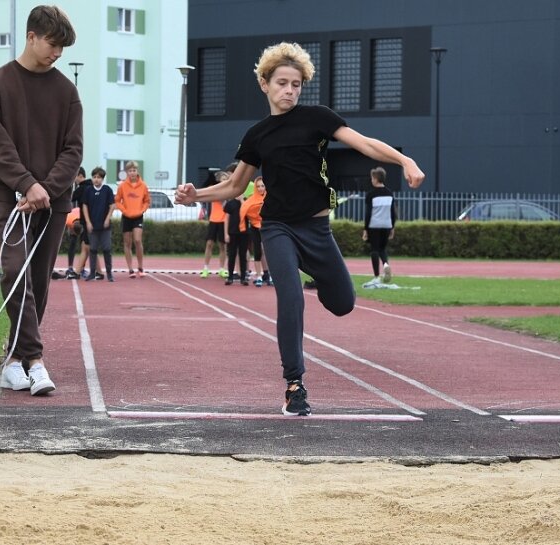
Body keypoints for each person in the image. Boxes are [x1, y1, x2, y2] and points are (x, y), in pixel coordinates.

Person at [175, 42, 424, 416]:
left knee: (343, 304)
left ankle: (315, 277)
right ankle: (295, 385)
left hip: (317, 228)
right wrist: (195, 195)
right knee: (289, 300)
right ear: (265, 84)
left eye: (296, 84)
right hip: (277, 227)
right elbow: (233, 186)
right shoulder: (257, 135)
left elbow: (364, 143)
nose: (289, 90)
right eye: (282, 83)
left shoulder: (317, 118)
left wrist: (404, 159)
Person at [0, 5, 82, 396]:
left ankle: (13, 358)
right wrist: (26, 183)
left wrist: (47, 189)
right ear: (32, 36)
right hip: (10, 198)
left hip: (52, 201)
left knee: (38, 280)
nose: (57, 53)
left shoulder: (67, 92)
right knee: (13, 269)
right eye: (53, 45)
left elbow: (73, 150)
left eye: (63, 48)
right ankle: (35, 359)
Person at [114, 160, 150, 278]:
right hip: (126, 216)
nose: (132, 173)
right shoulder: (122, 186)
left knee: (138, 240)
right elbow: (117, 200)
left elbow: (147, 201)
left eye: (134, 170)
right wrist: (124, 210)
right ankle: (130, 269)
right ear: (127, 172)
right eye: (130, 171)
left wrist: (142, 210)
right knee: (127, 243)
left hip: (138, 216)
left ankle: (140, 267)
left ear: (137, 171)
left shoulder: (143, 185)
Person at [362, 166, 396, 286]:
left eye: (372, 178)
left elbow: (368, 213)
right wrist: (392, 227)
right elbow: (393, 212)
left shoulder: (371, 195)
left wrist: (365, 229)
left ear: (376, 179)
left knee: (374, 250)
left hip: (374, 225)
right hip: (386, 225)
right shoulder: (389, 193)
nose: (371, 180)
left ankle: (376, 276)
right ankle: (386, 264)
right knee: (382, 248)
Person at [82, 166, 115, 281]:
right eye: (94, 177)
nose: (96, 179)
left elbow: (112, 206)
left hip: (105, 226)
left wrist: (107, 219)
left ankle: (110, 274)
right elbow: (85, 206)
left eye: (99, 177)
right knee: (93, 249)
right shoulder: (88, 191)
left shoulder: (107, 190)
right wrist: (88, 222)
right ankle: (92, 273)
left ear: (103, 178)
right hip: (93, 225)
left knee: (106, 249)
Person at [240, 176, 272, 287]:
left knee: (267, 251)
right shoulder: (251, 201)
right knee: (257, 251)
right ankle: (259, 276)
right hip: (254, 228)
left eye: (262, 186)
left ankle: (268, 274)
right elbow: (244, 209)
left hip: (267, 227)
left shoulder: (271, 198)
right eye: (258, 186)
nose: (260, 188)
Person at [200, 170, 228, 279]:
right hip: (213, 219)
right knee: (209, 244)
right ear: (218, 180)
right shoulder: (214, 188)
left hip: (224, 220)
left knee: (222, 246)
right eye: (223, 179)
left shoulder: (228, 190)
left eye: (226, 179)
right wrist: (210, 176)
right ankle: (206, 268)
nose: (224, 181)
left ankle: (222, 269)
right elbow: (203, 187)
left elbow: (223, 200)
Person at [66, 166, 89, 277]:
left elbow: (72, 200)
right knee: (75, 242)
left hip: (81, 218)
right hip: (73, 217)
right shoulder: (71, 185)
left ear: (79, 175)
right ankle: (73, 267)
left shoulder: (83, 187)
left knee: (82, 243)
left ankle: (80, 268)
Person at [223, 193, 248, 285]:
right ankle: (230, 277)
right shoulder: (230, 204)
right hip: (232, 233)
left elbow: (248, 214)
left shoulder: (246, 202)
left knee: (243, 255)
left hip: (244, 233)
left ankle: (243, 277)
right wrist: (226, 234)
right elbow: (226, 219)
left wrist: (242, 201)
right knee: (232, 255)